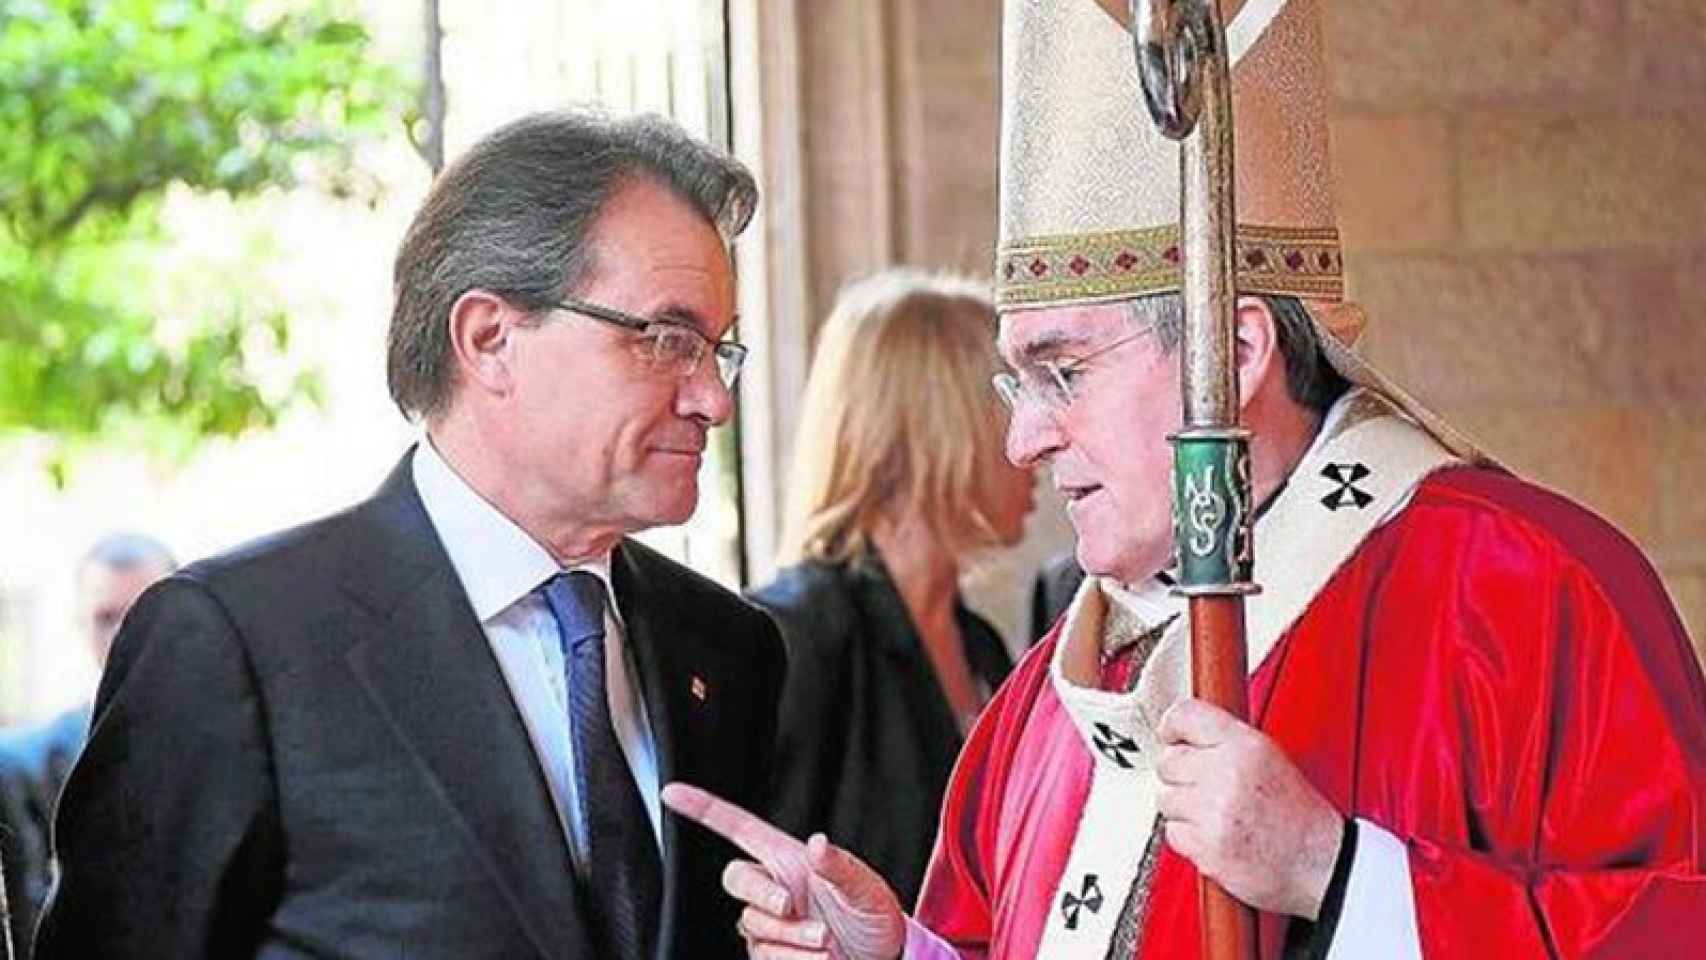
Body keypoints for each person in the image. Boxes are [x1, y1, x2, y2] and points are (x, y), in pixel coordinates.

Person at [662, 1, 1706, 957]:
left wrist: (1333, 875)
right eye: (1012, 383)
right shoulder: (1043, 698)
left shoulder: (1522, 590)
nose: (1023, 439)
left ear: (1235, 351)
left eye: (1063, 372)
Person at [35, 109, 785, 960]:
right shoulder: (237, 642)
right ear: (490, 338)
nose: (712, 399)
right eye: (666, 339)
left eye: (716, 351)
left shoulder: (727, 649)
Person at [748, 269, 1032, 905]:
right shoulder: (797, 635)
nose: (1038, 439)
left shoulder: (980, 644)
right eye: (1017, 399)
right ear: (948, 428)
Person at [0, 533, 175, 958]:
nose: (123, 636)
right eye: (106, 617)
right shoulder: (20, 765)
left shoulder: (238, 750)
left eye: (142, 615)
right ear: (81, 623)